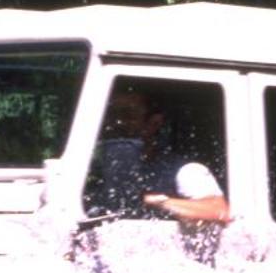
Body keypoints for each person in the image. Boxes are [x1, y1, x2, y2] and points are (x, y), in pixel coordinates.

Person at [92, 87, 231, 224]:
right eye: (111, 115)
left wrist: (153, 201)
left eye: (127, 115)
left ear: (154, 123)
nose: (117, 123)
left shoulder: (185, 170)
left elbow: (218, 211)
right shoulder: (94, 168)